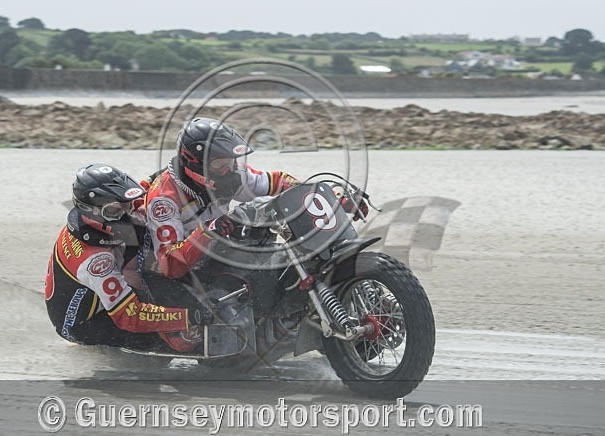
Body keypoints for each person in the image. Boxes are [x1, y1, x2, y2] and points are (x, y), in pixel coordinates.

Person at [141, 117, 368, 352]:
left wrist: (332, 199)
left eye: (231, 161)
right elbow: (170, 264)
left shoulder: (227, 176)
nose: (228, 169)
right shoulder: (163, 200)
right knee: (195, 333)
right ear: (196, 163)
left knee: (273, 250)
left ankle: (301, 314)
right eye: (220, 163)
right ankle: (255, 335)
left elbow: (278, 182)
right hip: (179, 272)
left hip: (216, 246)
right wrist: (208, 230)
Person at [44, 163, 212, 351]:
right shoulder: (96, 261)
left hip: (103, 289)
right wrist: (188, 317)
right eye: (115, 211)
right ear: (91, 211)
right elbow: (130, 316)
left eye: (127, 204)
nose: (128, 212)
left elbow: (146, 190)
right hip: (84, 323)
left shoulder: (97, 223)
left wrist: (176, 169)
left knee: (141, 229)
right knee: (167, 344)